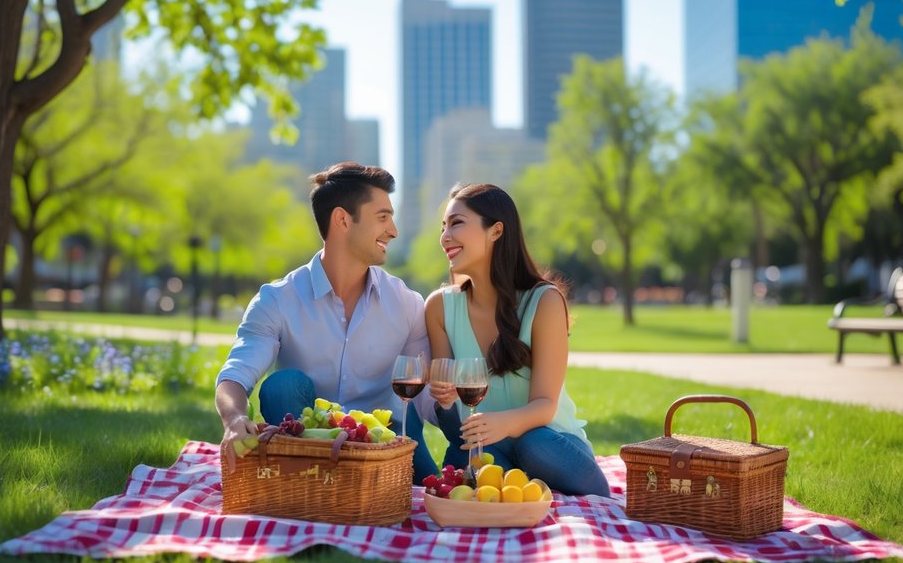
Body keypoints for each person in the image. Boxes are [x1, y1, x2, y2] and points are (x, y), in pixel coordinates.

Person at [215, 161, 438, 483]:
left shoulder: (406, 303)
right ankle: (320, 480)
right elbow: (236, 374)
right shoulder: (277, 300)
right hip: (312, 443)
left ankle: (392, 479)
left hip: (387, 444)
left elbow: (426, 396)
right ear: (343, 220)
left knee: (435, 478)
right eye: (383, 217)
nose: (394, 230)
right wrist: (234, 419)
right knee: (282, 386)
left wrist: (459, 410)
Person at [423, 183, 609, 496]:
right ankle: (517, 489)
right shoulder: (440, 308)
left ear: (496, 231)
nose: (445, 237)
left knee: (533, 444)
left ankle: (542, 486)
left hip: (554, 445)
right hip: (491, 447)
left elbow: (545, 406)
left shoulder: (544, 301)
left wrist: (502, 425)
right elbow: (458, 430)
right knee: (461, 455)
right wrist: (445, 403)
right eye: (444, 227)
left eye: (456, 223)